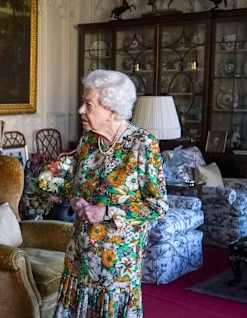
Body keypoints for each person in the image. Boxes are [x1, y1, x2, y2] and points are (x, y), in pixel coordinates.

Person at [54, 69, 168, 318]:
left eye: (88, 104)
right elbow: (74, 185)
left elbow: (157, 206)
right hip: (80, 253)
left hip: (116, 260)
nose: (81, 110)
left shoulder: (142, 144)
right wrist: (74, 198)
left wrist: (107, 211)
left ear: (112, 110)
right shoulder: (88, 141)